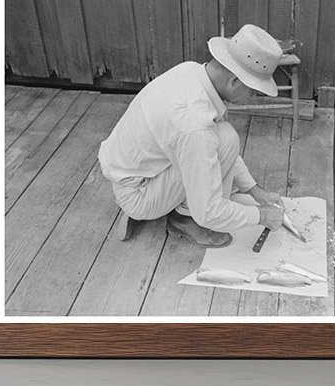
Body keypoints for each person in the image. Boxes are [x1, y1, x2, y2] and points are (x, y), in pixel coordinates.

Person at [97, 24, 288, 248]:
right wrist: (261, 216)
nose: (253, 97)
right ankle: (184, 219)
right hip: (139, 192)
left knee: (224, 137)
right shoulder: (194, 125)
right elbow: (209, 211)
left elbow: (212, 143)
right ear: (234, 81)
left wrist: (256, 192)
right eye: (253, 90)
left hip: (135, 170)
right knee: (223, 144)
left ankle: (175, 205)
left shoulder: (191, 70)